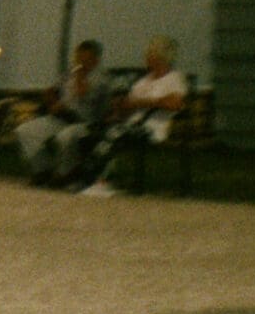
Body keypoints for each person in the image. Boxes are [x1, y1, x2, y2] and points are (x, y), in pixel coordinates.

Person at [81, 36, 190, 197]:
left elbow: (176, 104)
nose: (145, 58)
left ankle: (101, 181)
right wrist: (123, 105)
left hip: (152, 130)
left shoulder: (174, 79)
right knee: (93, 132)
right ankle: (91, 179)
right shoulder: (143, 81)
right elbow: (129, 105)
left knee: (114, 134)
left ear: (160, 58)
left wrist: (142, 102)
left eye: (149, 55)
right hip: (131, 125)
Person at [16, 39, 110, 186]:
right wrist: (52, 101)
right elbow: (52, 90)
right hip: (62, 117)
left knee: (65, 137)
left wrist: (79, 75)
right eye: (78, 57)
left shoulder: (100, 77)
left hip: (85, 122)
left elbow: (82, 92)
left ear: (95, 60)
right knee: (25, 131)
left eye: (85, 58)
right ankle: (42, 169)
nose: (80, 62)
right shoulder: (69, 73)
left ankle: (65, 173)